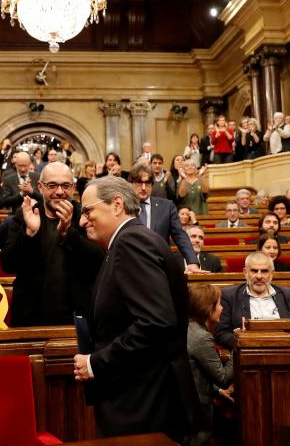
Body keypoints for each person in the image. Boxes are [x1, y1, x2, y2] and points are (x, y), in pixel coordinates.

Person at [73, 175, 199, 442]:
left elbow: (156, 323)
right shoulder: (130, 241)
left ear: (117, 204)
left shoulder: (131, 242)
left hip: (143, 403)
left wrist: (96, 362)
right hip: (141, 398)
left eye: (87, 211)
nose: (82, 221)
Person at [0, 162, 103, 326]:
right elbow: (7, 264)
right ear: (40, 187)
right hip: (30, 317)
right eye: (52, 185)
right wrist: (29, 233)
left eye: (65, 186)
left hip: (77, 317)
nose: (60, 192)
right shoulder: (25, 215)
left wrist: (68, 233)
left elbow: (99, 262)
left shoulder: (85, 216)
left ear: (73, 187)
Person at [215, 252, 290, 350]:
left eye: (264, 271)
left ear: (272, 274)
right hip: (247, 351)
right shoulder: (230, 296)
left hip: (284, 350)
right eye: (254, 271)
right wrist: (246, 343)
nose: (259, 276)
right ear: (245, 272)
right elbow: (221, 334)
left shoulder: (287, 294)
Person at [187, 283, 234, 446]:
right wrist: (238, 346)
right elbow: (223, 377)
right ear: (208, 309)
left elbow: (194, 371)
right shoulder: (201, 337)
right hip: (197, 405)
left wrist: (218, 391)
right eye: (219, 304)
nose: (222, 308)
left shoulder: (189, 328)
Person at [130, 164, 200, 272]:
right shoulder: (123, 207)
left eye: (147, 183)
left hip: (158, 267)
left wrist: (192, 262)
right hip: (130, 265)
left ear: (152, 185)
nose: (143, 188)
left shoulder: (167, 207)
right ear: (131, 184)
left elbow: (179, 235)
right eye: (139, 183)